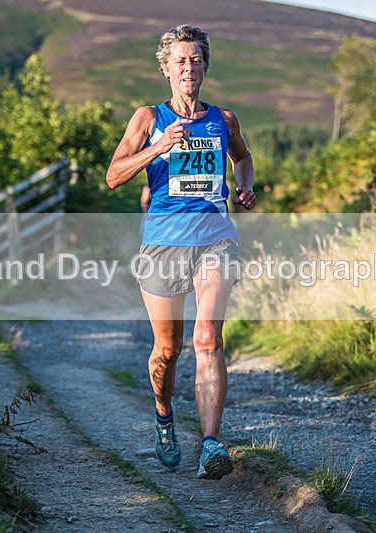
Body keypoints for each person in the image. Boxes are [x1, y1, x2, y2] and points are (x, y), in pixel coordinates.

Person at [105, 24, 256, 480]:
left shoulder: (224, 119)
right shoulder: (148, 118)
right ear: (166, 69)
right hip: (163, 242)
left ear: (205, 67)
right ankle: (164, 415)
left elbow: (242, 158)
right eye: (180, 61)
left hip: (215, 237)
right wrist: (158, 147)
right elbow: (113, 175)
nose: (188, 68)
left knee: (208, 336)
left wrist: (244, 186)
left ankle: (211, 443)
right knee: (167, 351)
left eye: (196, 60)